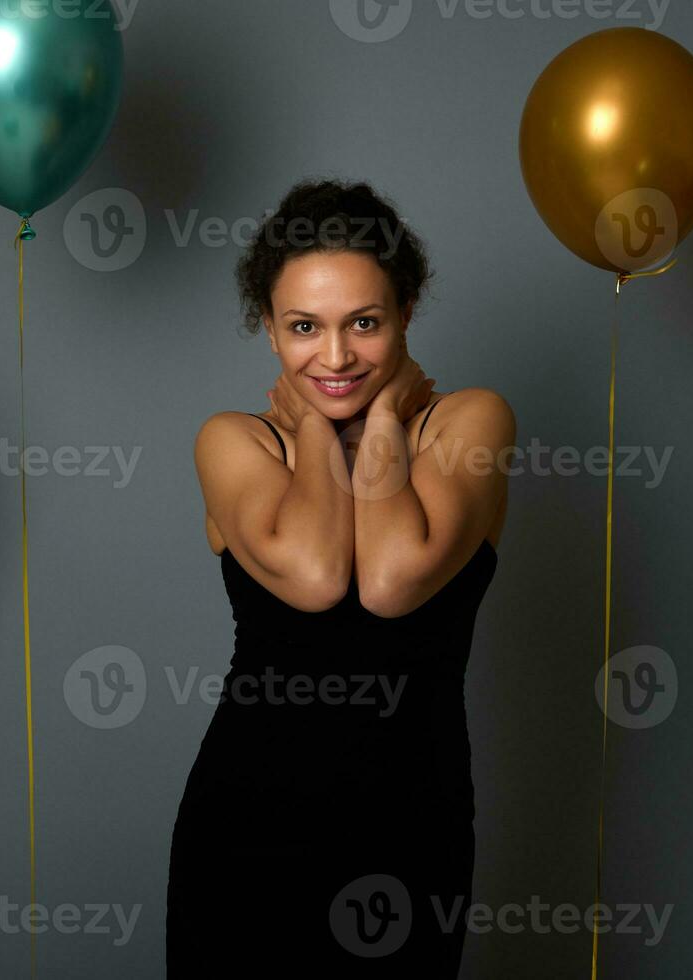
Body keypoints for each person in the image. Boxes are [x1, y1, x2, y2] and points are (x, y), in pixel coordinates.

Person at [166, 178, 514, 976]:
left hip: (409, 833)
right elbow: (321, 576)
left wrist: (384, 419)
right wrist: (320, 434)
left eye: (363, 323)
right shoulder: (232, 441)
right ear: (267, 329)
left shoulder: (470, 422)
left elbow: (391, 581)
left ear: (406, 314)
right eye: (303, 328)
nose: (333, 357)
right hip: (246, 829)